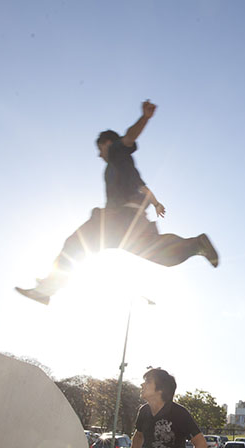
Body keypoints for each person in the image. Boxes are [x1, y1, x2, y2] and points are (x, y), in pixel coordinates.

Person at [16, 100, 219, 305]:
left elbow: (129, 137)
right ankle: (196, 245)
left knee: (76, 245)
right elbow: (144, 188)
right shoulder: (125, 165)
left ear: (107, 143)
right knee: (162, 254)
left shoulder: (116, 151)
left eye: (100, 149)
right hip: (135, 222)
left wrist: (144, 118)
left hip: (116, 220)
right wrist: (156, 204)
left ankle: (46, 290)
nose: (99, 154)